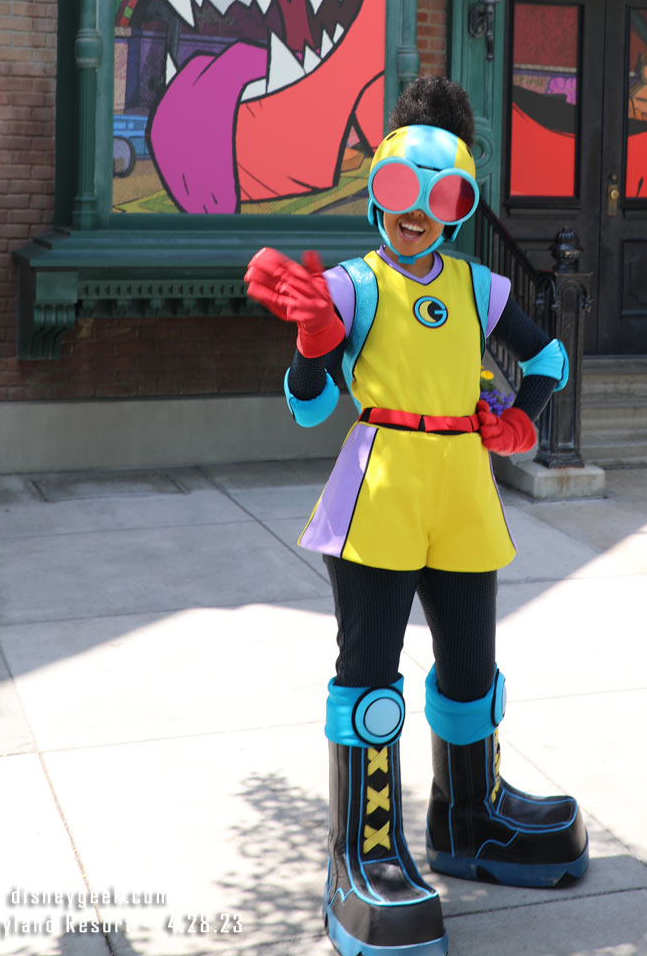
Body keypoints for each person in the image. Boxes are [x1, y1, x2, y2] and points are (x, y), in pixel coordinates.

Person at [246, 76, 588, 956]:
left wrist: (523, 416)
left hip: (463, 490)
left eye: (441, 196)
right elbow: (308, 406)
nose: (417, 212)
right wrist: (313, 345)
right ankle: (361, 851)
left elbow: (546, 354)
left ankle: (470, 817)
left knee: (472, 669)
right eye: (401, 192)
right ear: (377, 194)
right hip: (382, 492)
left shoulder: (477, 286)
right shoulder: (354, 287)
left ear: (460, 205)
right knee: (368, 674)